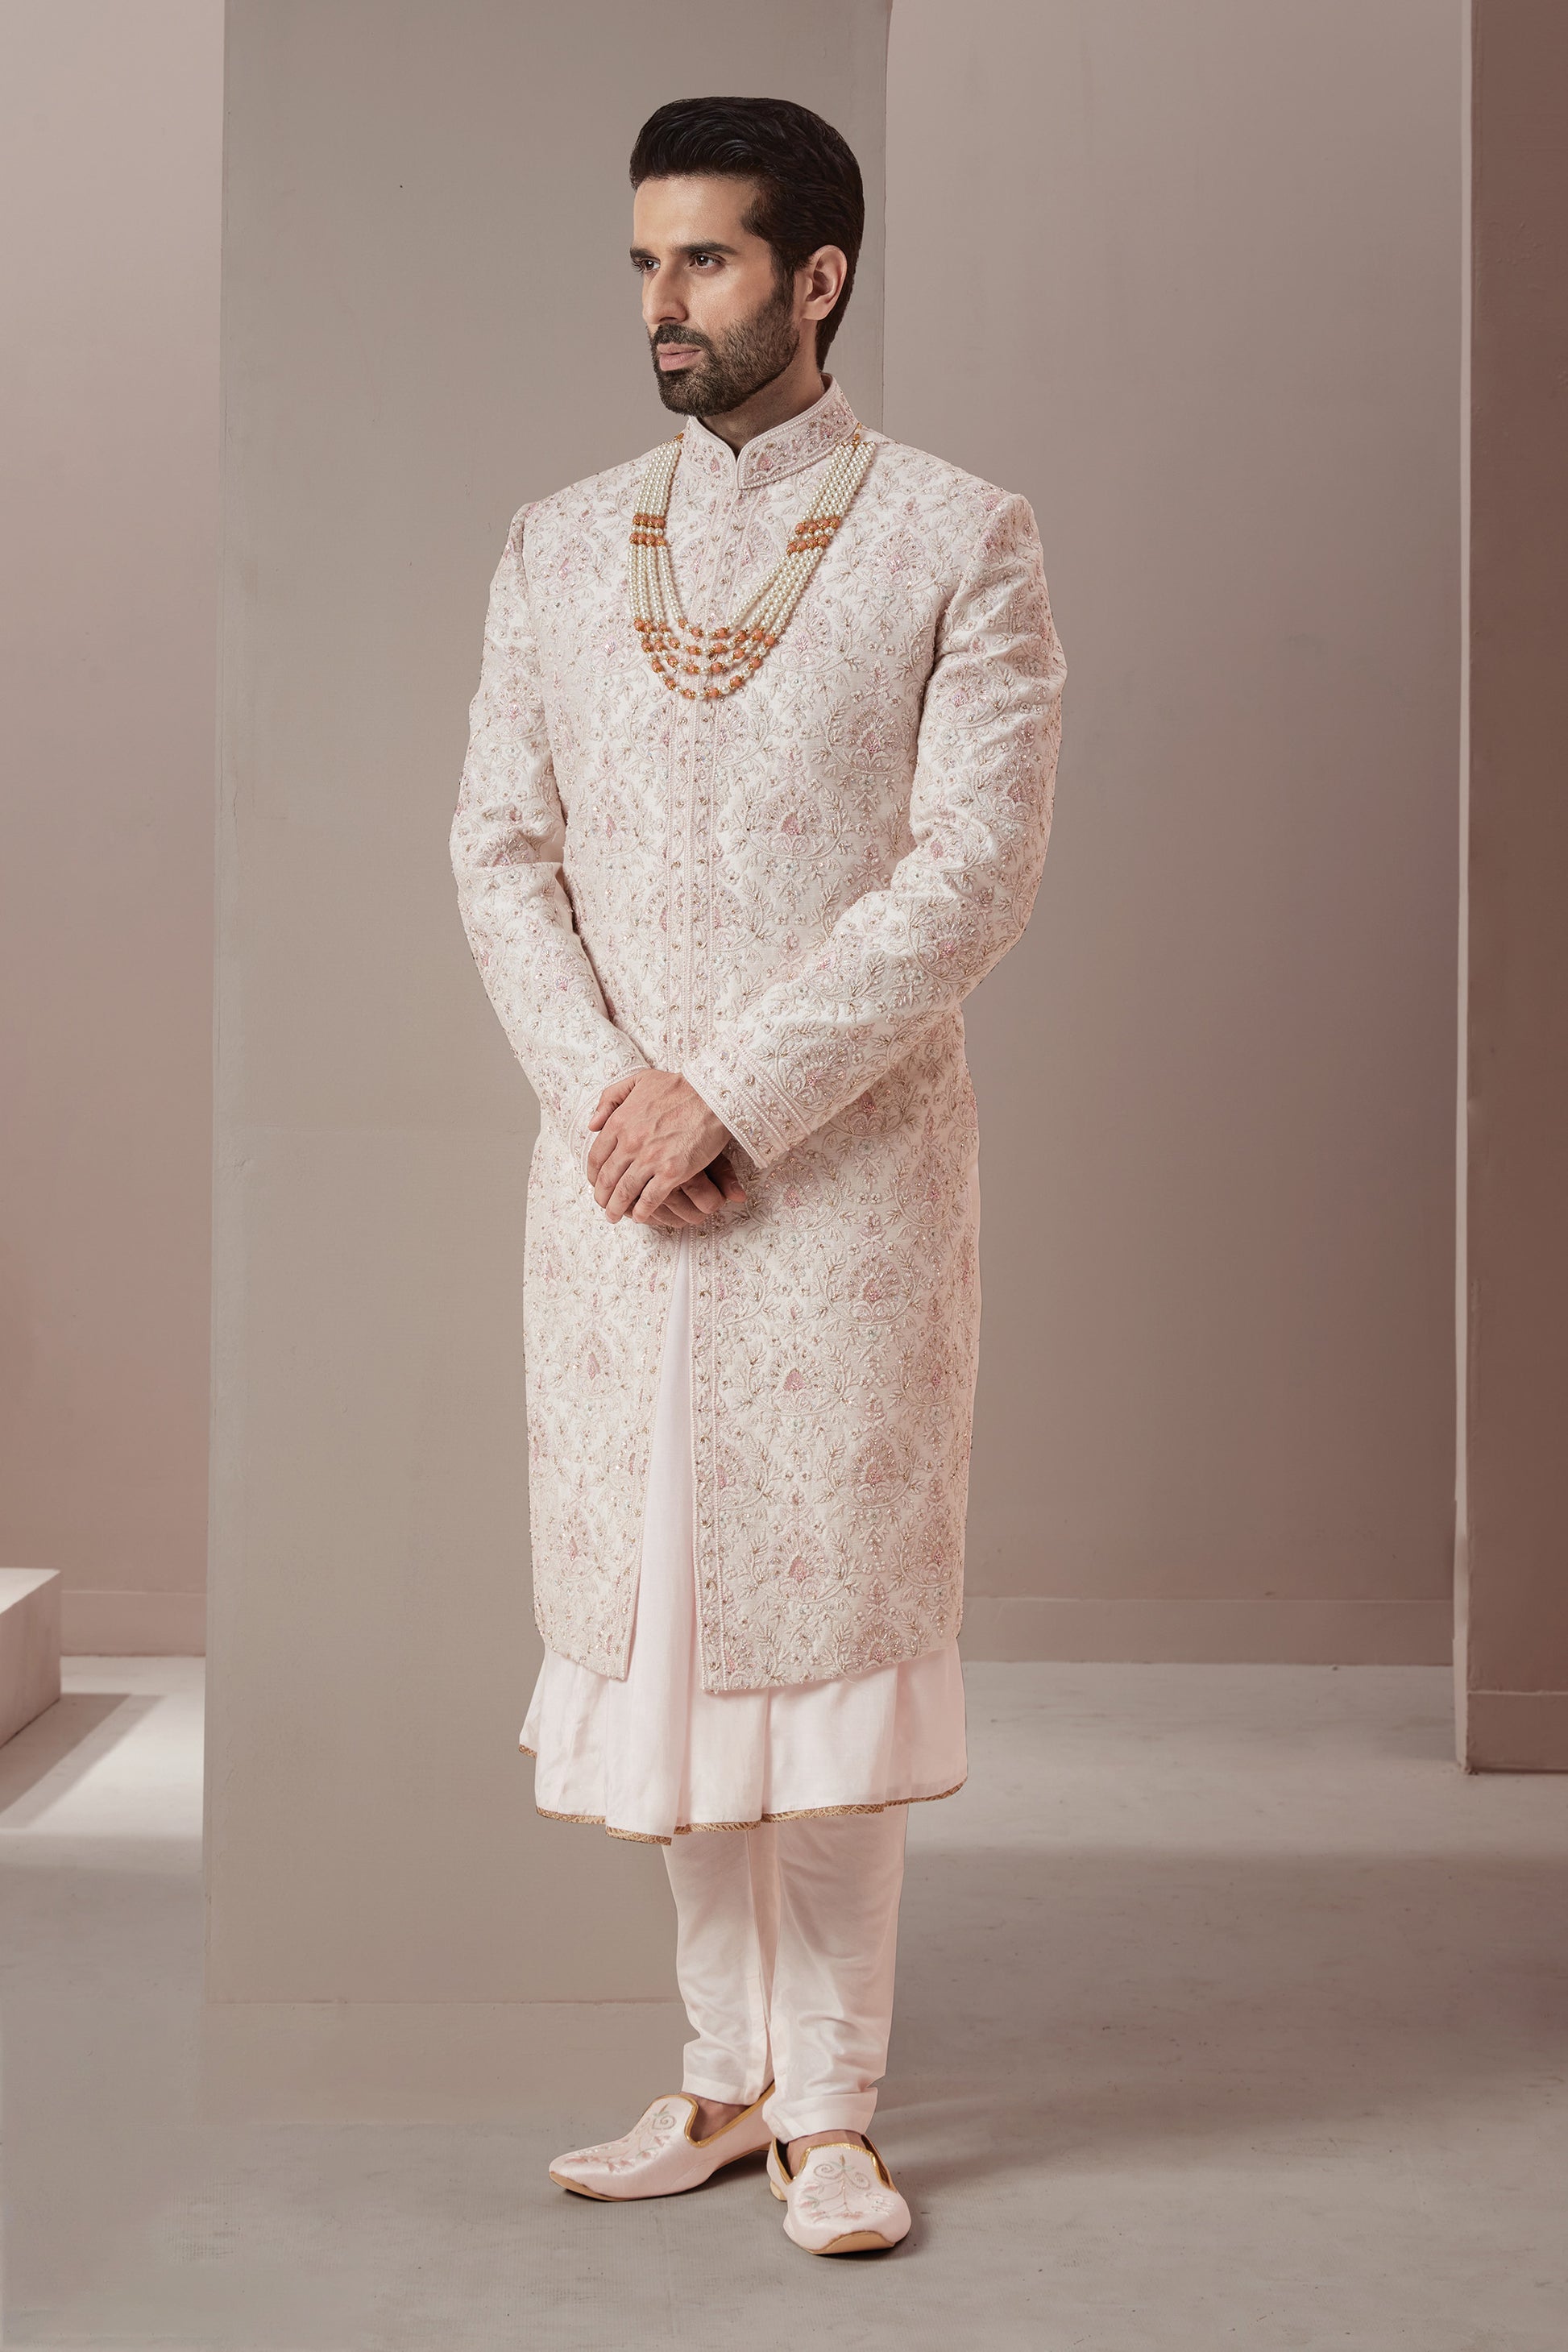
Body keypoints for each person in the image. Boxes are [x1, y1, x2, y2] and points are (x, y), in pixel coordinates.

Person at [449, 93, 1064, 2259]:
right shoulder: (555, 545)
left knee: (817, 1646)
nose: (662, 302)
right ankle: (718, 2080)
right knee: (669, 1648)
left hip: (840, 1184)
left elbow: (970, 875)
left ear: (816, 278)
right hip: (617, 1192)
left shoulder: (957, 538)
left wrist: (728, 1093)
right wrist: (612, 1096)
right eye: (644, 263)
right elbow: (498, 852)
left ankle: (832, 2114)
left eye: (703, 261)